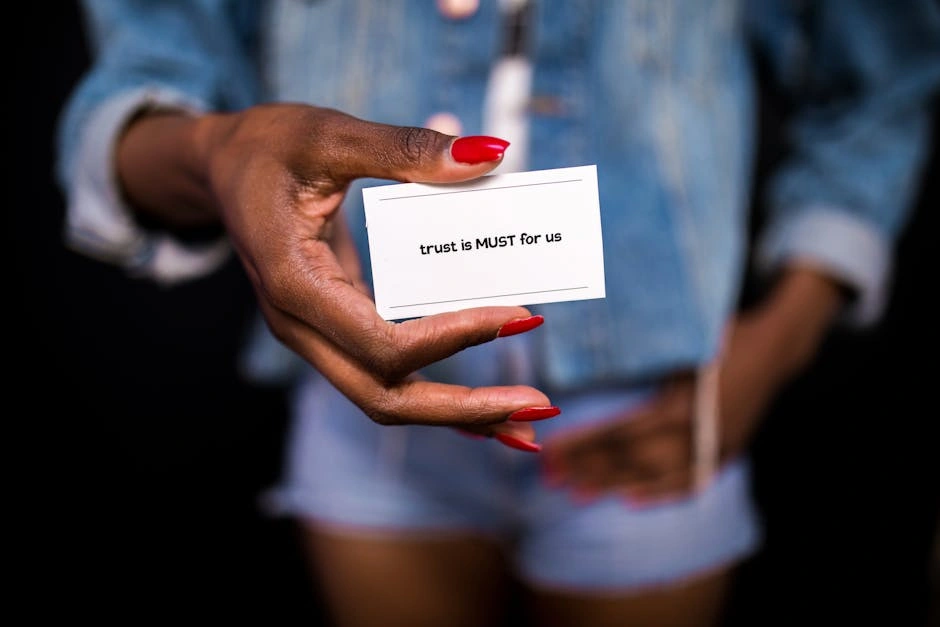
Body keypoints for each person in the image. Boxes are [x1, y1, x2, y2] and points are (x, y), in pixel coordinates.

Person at [55, 1, 940, 626]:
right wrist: (215, 149)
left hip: (650, 413)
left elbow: (886, 79)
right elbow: (141, 92)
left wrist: (780, 338)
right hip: (367, 410)